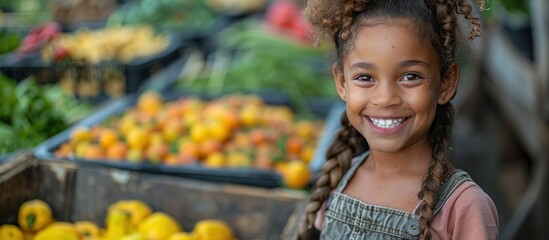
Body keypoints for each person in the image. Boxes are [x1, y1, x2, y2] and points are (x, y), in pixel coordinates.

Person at [299, 0, 499, 239]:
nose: (385, 99)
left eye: (410, 76)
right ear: (342, 83)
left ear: (446, 82)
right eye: (364, 77)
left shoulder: (463, 207)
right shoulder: (335, 182)